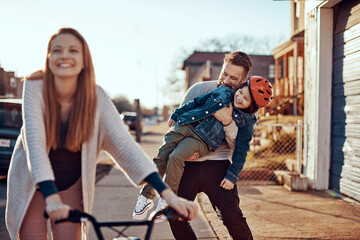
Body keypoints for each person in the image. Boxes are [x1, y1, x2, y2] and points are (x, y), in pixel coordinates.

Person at [5, 27, 197, 240]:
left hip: (71, 182)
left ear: (84, 59)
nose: (65, 55)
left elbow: (125, 147)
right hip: (33, 182)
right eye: (57, 50)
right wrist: (51, 198)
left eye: (73, 50)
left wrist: (168, 195)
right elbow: (35, 145)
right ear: (48, 57)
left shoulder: (95, 97)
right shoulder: (35, 86)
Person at [133, 76, 273, 221]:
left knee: (176, 156)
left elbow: (241, 150)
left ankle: (168, 201)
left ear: (251, 107)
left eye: (245, 99)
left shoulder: (246, 120)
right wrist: (176, 114)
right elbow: (196, 102)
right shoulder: (223, 92)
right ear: (240, 86)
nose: (240, 98)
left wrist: (232, 176)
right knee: (163, 154)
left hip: (202, 141)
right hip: (186, 123)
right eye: (241, 92)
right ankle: (146, 197)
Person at [167, 51, 263, 240]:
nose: (226, 80)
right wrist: (182, 150)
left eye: (233, 78)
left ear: (243, 79)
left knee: (232, 218)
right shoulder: (198, 90)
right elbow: (178, 124)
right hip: (188, 165)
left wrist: (227, 122)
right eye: (224, 74)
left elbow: (239, 148)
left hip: (218, 166)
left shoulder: (247, 105)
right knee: (175, 215)